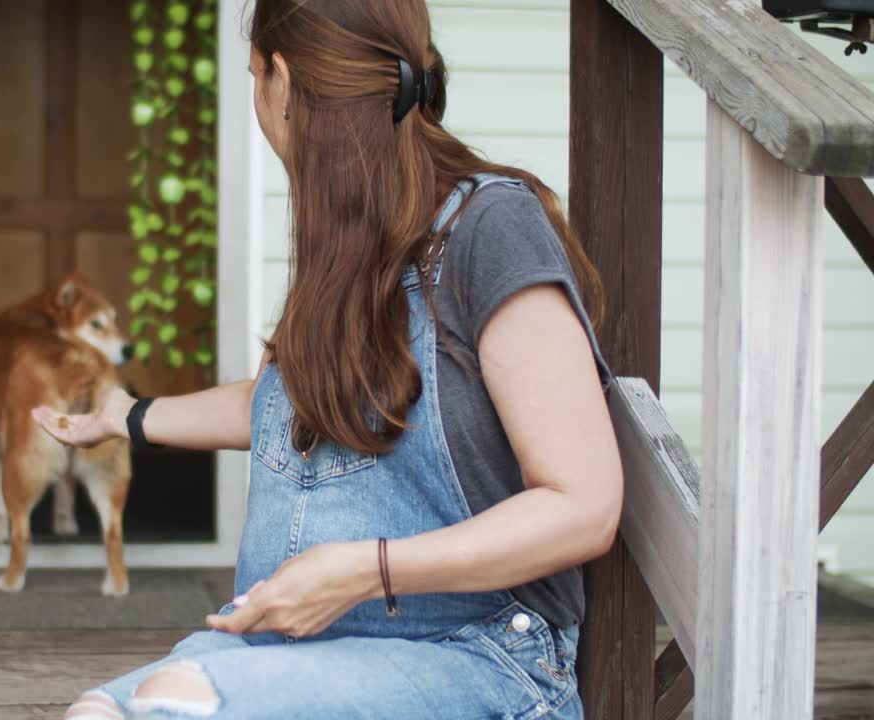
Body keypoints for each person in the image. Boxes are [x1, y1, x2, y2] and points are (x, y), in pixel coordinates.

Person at [35, 1, 622, 717]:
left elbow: (583, 507)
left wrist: (368, 571)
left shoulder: (490, 229)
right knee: (99, 711)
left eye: (254, 76)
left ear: (281, 84)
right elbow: (290, 405)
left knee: (178, 702)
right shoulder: (349, 238)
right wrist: (127, 415)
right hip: (289, 651)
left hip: (481, 657)